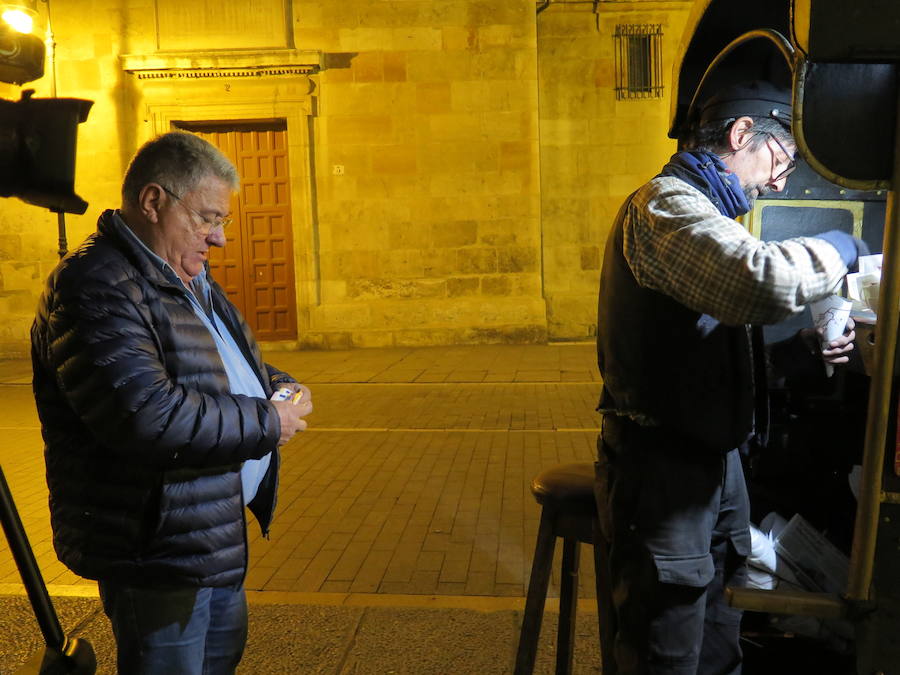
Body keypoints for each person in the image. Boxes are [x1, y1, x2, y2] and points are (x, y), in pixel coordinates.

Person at [593, 81, 865, 675]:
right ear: (743, 135)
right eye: (782, 160)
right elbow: (762, 282)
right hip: (662, 470)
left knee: (718, 641)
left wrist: (803, 349)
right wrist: (844, 246)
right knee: (665, 651)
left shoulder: (712, 216)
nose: (779, 181)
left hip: (713, 464)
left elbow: (705, 348)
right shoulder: (665, 207)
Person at [30, 131, 312, 674]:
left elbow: (219, 361)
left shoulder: (183, 274)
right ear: (153, 201)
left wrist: (279, 384)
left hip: (207, 535)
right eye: (208, 218)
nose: (220, 238)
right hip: (156, 549)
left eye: (222, 221)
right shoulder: (97, 284)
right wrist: (266, 419)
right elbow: (147, 416)